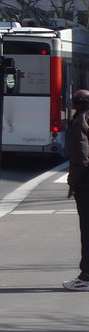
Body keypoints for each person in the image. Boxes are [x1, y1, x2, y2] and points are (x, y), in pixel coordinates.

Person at [64, 88, 89, 290]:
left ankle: (86, 277)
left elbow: (81, 159)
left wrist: (73, 183)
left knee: (87, 230)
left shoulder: (80, 122)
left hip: (86, 184)